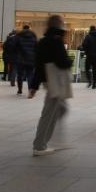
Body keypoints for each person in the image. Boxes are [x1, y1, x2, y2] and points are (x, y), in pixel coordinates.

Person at [28, 15, 72, 156]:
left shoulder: (43, 41)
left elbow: (38, 66)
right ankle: (39, 145)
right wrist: (69, 61)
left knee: (59, 109)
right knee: (49, 113)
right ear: (59, 25)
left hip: (47, 80)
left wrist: (34, 86)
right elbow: (62, 62)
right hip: (55, 80)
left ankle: (51, 141)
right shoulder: (56, 40)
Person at [13, 25, 37, 95]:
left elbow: (14, 47)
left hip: (20, 59)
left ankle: (20, 89)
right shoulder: (33, 35)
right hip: (31, 59)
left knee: (20, 75)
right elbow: (36, 47)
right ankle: (30, 90)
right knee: (30, 75)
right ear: (29, 29)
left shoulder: (18, 35)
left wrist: (16, 55)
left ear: (23, 29)